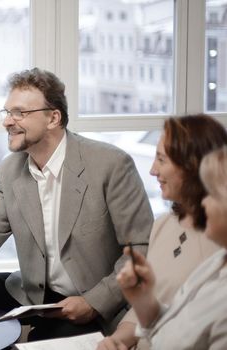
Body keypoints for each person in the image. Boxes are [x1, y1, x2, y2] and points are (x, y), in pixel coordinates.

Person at [0, 67, 154, 341]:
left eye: (19, 112)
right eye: (7, 112)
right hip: (34, 291)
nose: (7, 122)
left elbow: (142, 248)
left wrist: (94, 302)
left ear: (53, 118)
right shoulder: (9, 171)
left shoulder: (110, 165)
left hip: (92, 297)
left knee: (42, 341)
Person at [97, 115, 226, 350]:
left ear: (192, 166)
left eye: (161, 159)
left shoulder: (218, 244)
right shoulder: (164, 224)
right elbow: (153, 317)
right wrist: (117, 340)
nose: (153, 170)